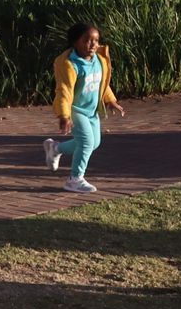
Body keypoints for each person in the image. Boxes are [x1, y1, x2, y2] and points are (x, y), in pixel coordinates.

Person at [42, 22, 124, 194]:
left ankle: (55, 149)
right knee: (86, 143)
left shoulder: (99, 60)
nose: (93, 44)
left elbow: (102, 83)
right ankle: (75, 179)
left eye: (96, 40)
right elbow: (64, 91)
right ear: (75, 42)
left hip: (91, 111)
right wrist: (64, 116)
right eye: (87, 40)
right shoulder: (70, 64)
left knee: (94, 143)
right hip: (75, 110)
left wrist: (110, 101)